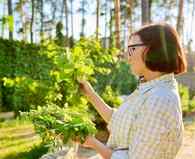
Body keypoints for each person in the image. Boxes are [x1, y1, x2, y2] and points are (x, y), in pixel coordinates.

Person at [78, 23, 187, 159]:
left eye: (132, 49)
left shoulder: (160, 99)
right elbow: (118, 120)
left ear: (152, 50)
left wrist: (92, 143)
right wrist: (89, 92)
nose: (127, 57)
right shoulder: (149, 89)